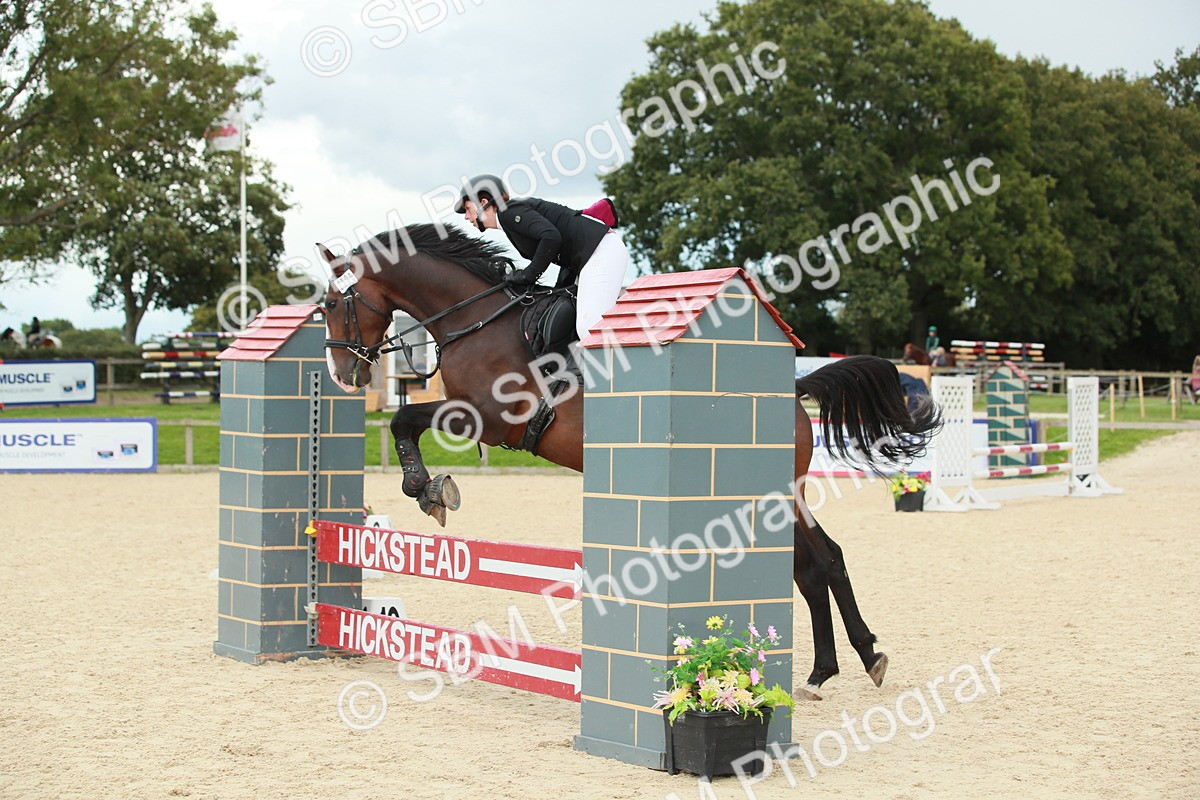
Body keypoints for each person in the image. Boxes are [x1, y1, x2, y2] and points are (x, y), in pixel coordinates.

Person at [454, 174, 629, 340]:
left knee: (589, 328)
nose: (467, 217)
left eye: (468, 209)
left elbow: (551, 237)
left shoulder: (508, 212)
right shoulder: (508, 219)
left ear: (484, 202)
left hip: (601, 250)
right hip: (589, 255)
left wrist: (528, 275)